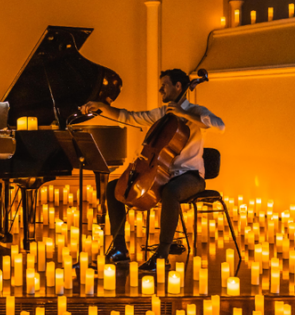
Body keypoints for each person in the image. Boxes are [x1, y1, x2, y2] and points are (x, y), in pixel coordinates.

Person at [81, 68, 225, 272]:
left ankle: (162, 256)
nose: (160, 89)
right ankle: (120, 249)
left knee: (171, 192)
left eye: (164, 85)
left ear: (178, 86)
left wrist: (185, 114)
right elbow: (129, 117)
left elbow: (220, 125)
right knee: (115, 188)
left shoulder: (195, 111)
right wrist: (102, 107)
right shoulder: (163, 113)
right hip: (162, 174)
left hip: (190, 176)